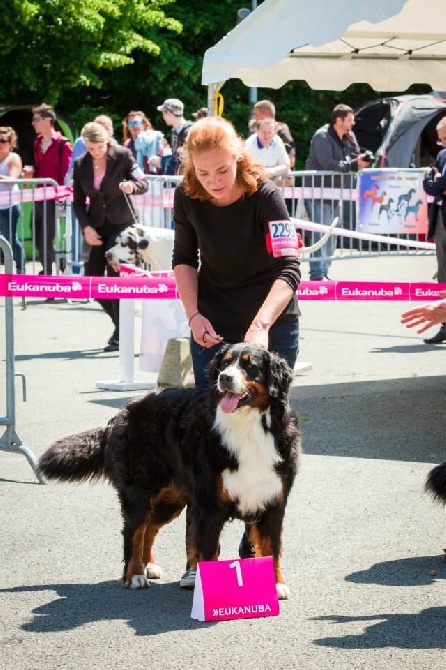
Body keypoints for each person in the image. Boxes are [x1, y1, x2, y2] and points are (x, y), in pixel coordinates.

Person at [172, 116, 301, 587]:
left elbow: (289, 266)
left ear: (238, 160)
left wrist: (262, 325)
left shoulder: (265, 194)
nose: (213, 182)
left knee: (267, 440)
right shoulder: (187, 196)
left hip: (270, 320)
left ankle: (255, 558)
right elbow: (184, 259)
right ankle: (200, 559)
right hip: (213, 320)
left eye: (221, 171)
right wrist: (193, 316)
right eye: (203, 174)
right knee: (207, 439)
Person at [72, 122, 149, 352]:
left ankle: (121, 335)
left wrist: (131, 187)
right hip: (96, 225)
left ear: (107, 141)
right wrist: (85, 227)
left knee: (115, 276)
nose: (94, 152)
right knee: (93, 281)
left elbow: (143, 182)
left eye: (98, 147)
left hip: (121, 223)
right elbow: (77, 201)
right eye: (90, 148)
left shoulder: (123, 156)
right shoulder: (80, 164)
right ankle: (120, 327)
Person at [303, 104, 371, 281]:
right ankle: (317, 274)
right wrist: (354, 164)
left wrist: (363, 158)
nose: (353, 123)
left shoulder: (349, 136)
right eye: (350, 119)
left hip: (336, 194)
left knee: (332, 235)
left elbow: (355, 155)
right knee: (321, 235)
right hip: (318, 193)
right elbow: (330, 165)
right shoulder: (322, 137)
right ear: (338, 120)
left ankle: (325, 271)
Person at [32, 103, 72, 275]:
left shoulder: (63, 144)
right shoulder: (38, 142)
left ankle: (47, 273)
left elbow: (67, 174)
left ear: (48, 120)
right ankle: (57, 260)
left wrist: (63, 198)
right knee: (36, 234)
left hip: (54, 197)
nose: (33, 123)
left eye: (36, 119)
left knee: (47, 236)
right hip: (39, 195)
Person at [418, 117, 446, 344]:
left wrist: (437, 182)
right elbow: (430, 184)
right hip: (440, 220)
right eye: (441, 139)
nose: (443, 143)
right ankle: (444, 324)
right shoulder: (442, 155)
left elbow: (437, 183)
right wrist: (437, 182)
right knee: (443, 275)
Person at [0, 126, 25, 273]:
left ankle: (21, 269)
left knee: (10, 239)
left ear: (10, 143)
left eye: (3, 140)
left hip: (9, 206)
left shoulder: (13, 158)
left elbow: (11, 180)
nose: (0, 143)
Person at [250, 99, 296, 169]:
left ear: (266, 115)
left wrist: (273, 172)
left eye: (256, 114)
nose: (254, 118)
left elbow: (291, 160)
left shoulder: (281, 131)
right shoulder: (255, 134)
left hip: (279, 177)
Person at [155, 98, 192, 175]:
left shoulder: (191, 131)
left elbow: (186, 157)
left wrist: (162, 161)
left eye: (163, 113)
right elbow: (175, 155)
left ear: (168, 112)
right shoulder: (174, 131)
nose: (163, 117)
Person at [122, 110, 163, 175]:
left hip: (153, 179)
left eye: (137, 123)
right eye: (131, 123)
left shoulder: (154, 141)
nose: (134, 126)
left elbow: (162, 163)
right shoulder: (127, 145)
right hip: (134, 180)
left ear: (144, 124)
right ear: (128, 127)